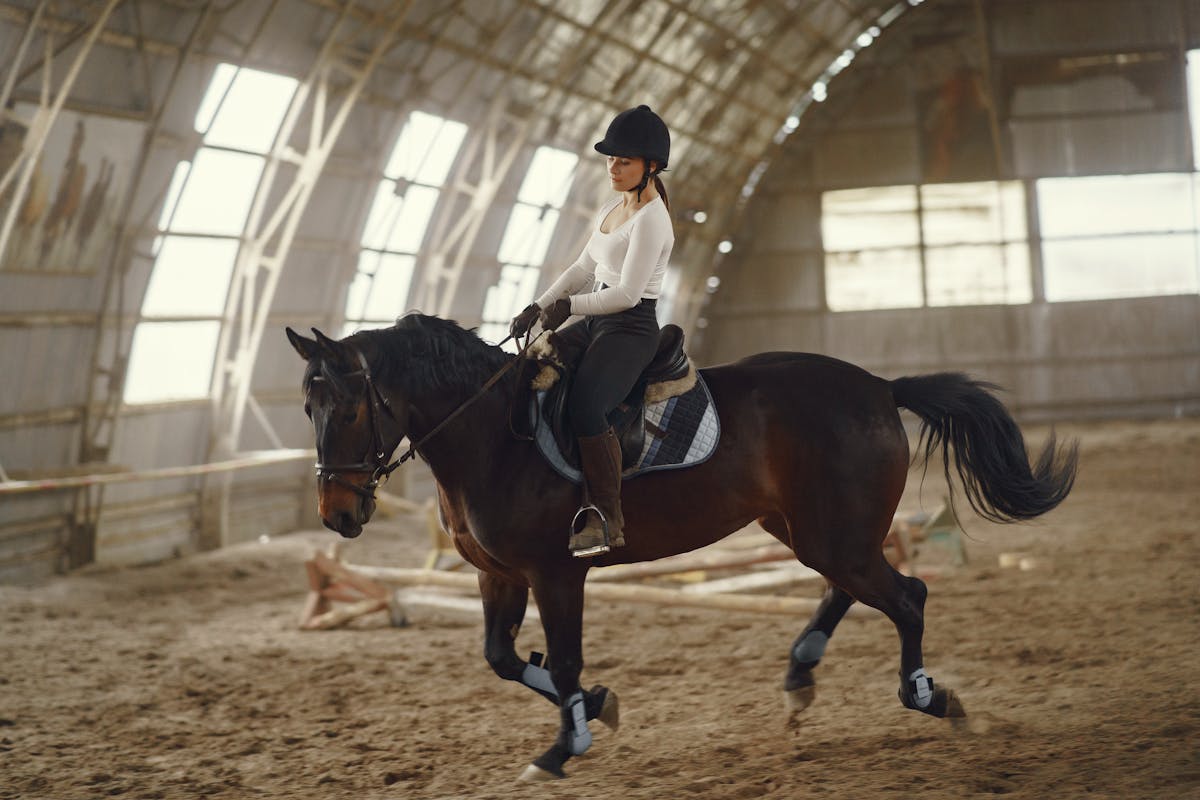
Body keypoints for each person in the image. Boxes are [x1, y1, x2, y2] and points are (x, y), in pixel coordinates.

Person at [509, 104, 675, 558]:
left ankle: (606, 515)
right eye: (610, 160)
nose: (613, 168)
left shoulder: (653, 219)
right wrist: (538, 306)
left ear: (651, 166)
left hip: (630, 328)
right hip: (596, 320)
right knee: (527, 370)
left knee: (587, 406)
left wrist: (568, 307)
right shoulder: (613, 207)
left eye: (624, 162)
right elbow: (584, 266)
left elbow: (625, 294)